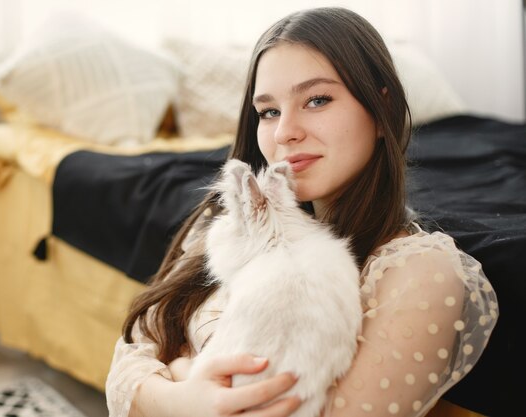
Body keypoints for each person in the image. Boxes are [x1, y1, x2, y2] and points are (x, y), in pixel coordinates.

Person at [106, 7, 498, 417]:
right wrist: (180, 401)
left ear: (383, 112)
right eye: (268, 111)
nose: (284, 132)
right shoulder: (233, 225)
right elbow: (128, 356)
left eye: (316, 100)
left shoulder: (418, 272)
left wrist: (180, 374)